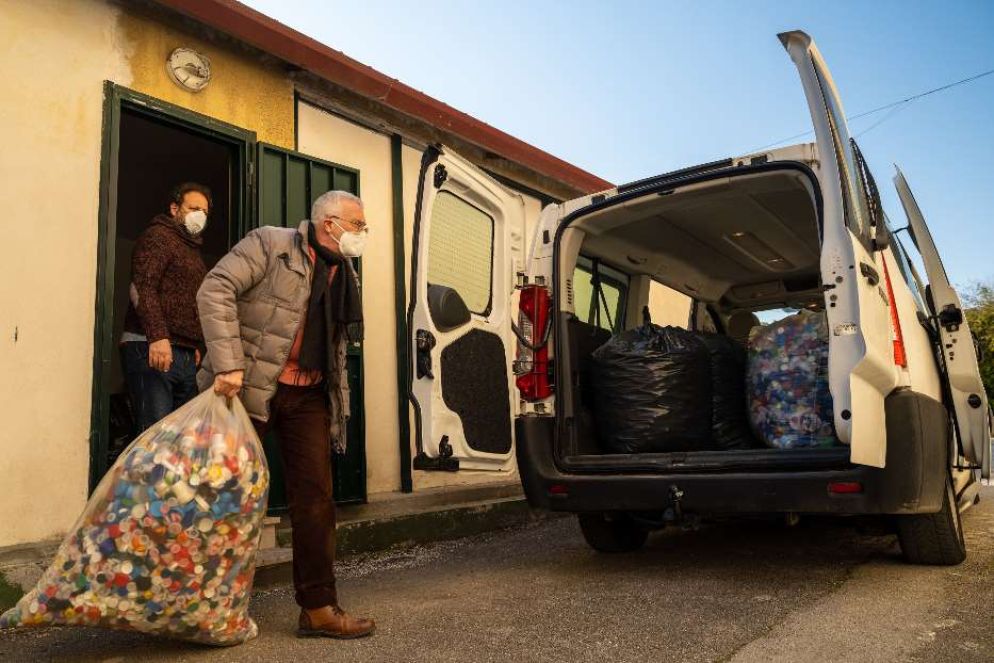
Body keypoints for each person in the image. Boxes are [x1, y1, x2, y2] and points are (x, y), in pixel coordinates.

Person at [196, 190, 373, 639]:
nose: (362, 234)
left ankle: (318, 608)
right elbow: (215, 288)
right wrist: (228, 364)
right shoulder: (269, 244)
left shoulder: (343, 271)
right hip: (248, 389)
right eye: (358, 225)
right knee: (222, 495)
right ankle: (204, 607)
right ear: (330, 223)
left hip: (307, 393)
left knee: (315, 501)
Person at [121, 182, 210, 434]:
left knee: (179, 439)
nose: (200, 216)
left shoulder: (192, 249)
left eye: (205, 212)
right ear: (174, 209)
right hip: (152, 347)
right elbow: (143, 287)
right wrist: (158, 336)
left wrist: (192, 343)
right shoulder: (158, 237)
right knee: (155, 436)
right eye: (194, 208)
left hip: (182, 352)